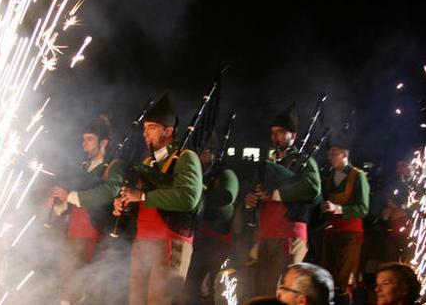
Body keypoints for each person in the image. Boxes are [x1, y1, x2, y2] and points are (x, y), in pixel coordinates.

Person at [113, 94, 203, 305]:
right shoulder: (147, 161)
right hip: (143, 243)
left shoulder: (185, 157)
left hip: (170, 243)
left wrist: (142, 195)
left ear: (168, 131)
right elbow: (144, 203)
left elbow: (188, 198)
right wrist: (126, 204)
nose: (145, 133)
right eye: (145, 128)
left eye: (152, 127)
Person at [245, 104, 321, 297]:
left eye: (280, 132)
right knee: (262, 289)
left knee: (284, 290)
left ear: (293, 136)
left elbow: (313, 188)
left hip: (290, 233)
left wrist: (276, 194)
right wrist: (251, 199)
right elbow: (255, 191)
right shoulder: (269, 162)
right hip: (266, 234)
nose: (275, 136)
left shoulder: (304, 160)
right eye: (273, 132)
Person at [48, 114, 115, 304]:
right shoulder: (83, 167)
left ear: (103, 142)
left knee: (90, 289)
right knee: (68, 287)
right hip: (74, 233)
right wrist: (60, 203)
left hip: (94, 234)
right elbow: (72, 204)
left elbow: (104, 194)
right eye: (83, 139)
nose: (84, 144)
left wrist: (68, 196)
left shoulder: (111, 168)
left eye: (89, 139)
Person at [184, 134, 239, 304]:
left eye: (203, 150)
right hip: (195, 239)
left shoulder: (224, 173)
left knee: (211, 289)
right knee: (189, 288)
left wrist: (199, 191)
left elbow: (227, 196)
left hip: (216, 240)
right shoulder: (192, 173)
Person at [321, 143, 369, 293]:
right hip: (331, 233)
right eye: (329, 154)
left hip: (350, 234)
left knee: (343, 279)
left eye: (334, 153)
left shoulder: (358, 175)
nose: (330, 157)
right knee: (326, 276)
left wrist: (338, 209)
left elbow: (363, 208)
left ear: (345, 154)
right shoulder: (329, 178)